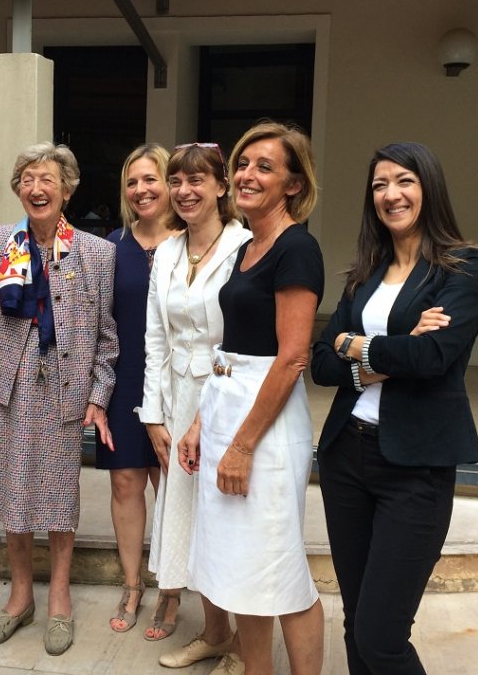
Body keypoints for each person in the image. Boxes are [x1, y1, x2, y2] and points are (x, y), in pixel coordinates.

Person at [311, 142, 478, 674]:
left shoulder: (463, 267)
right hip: (347, 457)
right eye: (379, 185)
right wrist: (383, 348)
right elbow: (320, 363)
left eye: (404, 180)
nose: (391, 194)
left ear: (427, 186)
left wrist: (356, 345)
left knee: (381, 636)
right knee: (355, 620)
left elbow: (433, 356)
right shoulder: (366, 271)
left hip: (414, 469)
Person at [178, 121, 325, 675]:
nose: (246, 174)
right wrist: (199, 424)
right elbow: (233, 346)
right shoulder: (248, 246)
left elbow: (290, 358)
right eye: (242, 163)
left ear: (293, 184)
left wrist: (240, 446)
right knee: (242, 571)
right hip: (227, 412)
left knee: (280, 569)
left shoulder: (297, 249)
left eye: (265, 166)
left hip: (264, 428)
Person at [0, 142, 119, 656]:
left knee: (59, 497)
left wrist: (98, 394)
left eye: (47, 179)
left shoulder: (97, 253)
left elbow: (107, 335)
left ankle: (59, 598)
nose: (37, 188)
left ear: (67, 189)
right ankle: (19, 598)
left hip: (65, 386)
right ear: (18, 188)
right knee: (13, 490)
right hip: (8, 386)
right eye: (28, 179)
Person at [139, 143, 251, 670]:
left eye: (197, 180)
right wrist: (154, 416)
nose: (185, 190)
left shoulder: (246, 247)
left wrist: (208, 419)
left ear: (221, 187)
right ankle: (214, 631)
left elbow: (248, 341)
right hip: (179, 401)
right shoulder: (166, 251)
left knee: (229, 518)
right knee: (189, 516)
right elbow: (155, 339)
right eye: (177, 181)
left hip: (230, 399)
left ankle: (245, 647)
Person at [97, 144, 177, 634]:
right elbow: (97, 322)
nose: (141, 190)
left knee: (170, 484)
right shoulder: (112, 245)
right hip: (124, 378)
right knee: (126, 481)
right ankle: (132, 583)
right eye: (132, 182)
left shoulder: (193, 243)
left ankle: (171, 588)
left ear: (171, 184)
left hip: (175, 381)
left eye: (151, 179)